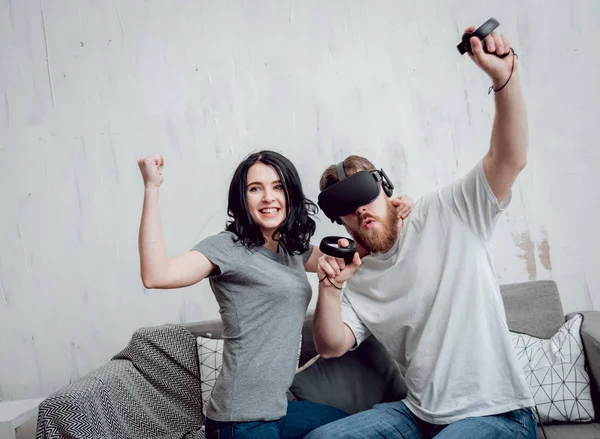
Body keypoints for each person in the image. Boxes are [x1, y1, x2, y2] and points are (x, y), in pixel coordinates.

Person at [305, 27, 538, 439]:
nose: (359, 208)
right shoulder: (354, 277)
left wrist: (505, 79)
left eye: (365, 193)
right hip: (418, 415)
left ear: (386, 189)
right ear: (339, 221)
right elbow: (331, 346)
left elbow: (509, 158)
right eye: (345, 206)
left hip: (497, 414)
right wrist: (329, 288)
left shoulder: (450, 212)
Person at [137, 149, 414, 439]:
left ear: (289, 195)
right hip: (239, 420)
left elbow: (365, 248)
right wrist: (151, 188)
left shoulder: (291, 249)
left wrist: (396, 208)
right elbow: (155, 276)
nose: (269, 197)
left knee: (346, 428)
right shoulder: (227, 248)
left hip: (278, 410)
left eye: (277, 187)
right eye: (255, 188)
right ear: (243, 199)